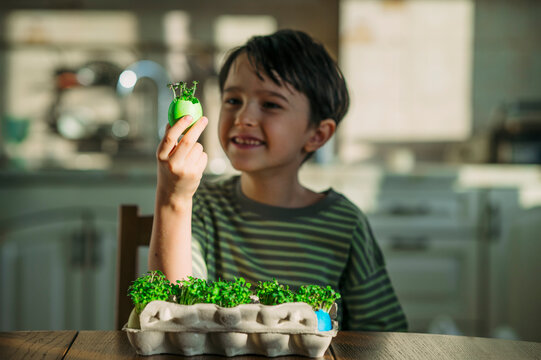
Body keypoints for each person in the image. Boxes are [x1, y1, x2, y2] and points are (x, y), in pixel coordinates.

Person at [148, 29, 407, 331]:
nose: (243, 117)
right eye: (233, 99)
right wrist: (174, 198)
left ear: (317, 134)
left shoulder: (345, 225)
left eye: (270, 104)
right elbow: (173, 314)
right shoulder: (203, 206)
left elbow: (382, 335)